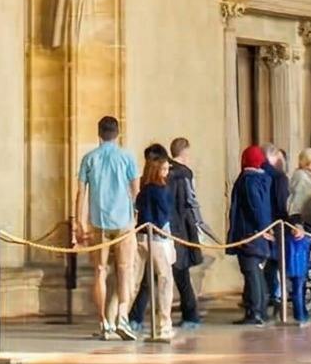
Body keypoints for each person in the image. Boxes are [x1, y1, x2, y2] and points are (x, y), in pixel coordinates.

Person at [73, 114, 141, 341]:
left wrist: (78, 220)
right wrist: (134, 214)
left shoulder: (89, 159)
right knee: (125, 269)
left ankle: (104, 322)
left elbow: (81, 192)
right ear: (118, 133)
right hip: (123, 221)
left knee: (100, 271)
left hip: (99, 221)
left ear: (99, 133)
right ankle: (122, 315)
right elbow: (135, 190)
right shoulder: (127, 157)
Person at [227, 145, 279, 324]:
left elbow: (255, 207)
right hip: (258, 232)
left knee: (251, 271)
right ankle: (257, 309)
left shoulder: (248, 181)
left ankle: (256, 311)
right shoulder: (263, 179)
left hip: (249, 233)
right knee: (254, 271)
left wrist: (263, 228)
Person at [134, 153, 180, 342]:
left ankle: (118, 319)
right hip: (157, 239)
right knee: (165, 280)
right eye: (165, 169)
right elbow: (163, 216)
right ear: (159, 170)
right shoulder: (161, 190)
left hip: (141, 237)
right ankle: (163, 325)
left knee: (134, 282)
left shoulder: (143, 190)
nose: (167, 172)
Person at [169, 138, 209, 329]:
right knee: (180, 271)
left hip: (172, 228)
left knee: (178, 271)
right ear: (184, 152)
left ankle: (190, 313)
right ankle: (191, 314)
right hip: (181, 229)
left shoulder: (169, 171)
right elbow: (191, 202)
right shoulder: (183, 173)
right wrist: (199, 224)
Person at [261, 147, 291, 315]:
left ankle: (272, 294)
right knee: (278, 261)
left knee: (272, 262)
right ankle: (277, 295)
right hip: (277, 224)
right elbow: (281, 203)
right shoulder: (279, 178)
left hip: (268, 223)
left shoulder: (262, 175)